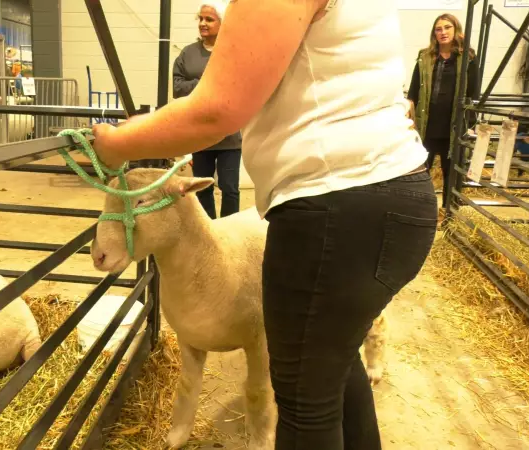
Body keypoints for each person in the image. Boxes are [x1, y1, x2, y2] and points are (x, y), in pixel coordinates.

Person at [91, 0, 438, 448]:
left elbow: (217, 109)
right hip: (379, 192)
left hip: (338, 201)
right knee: (333, 372)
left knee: (303, 400)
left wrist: (118, 144)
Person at [172, 0, 242, 218]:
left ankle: (230, 230)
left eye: (209, 19)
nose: (203, 23)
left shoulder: (233, 51)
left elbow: (239, 86)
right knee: (202, 188)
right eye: (200, 19)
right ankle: (208, 229)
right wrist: (203, 84)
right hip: (200, 135)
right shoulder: (188, 54)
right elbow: (177, 87)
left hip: (229, 136)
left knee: (230, 189)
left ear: (223, 23)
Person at [407, 13, 478, 211]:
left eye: (447, 27)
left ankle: (449, 213)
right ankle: (421, 211)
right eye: (438, 29)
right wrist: (410, 121)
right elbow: (413, 92)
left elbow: (474, 92)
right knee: (421, 172)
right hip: (427, 126)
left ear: (456, 30)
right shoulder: (425, 58)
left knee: (451, 173)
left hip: (453, 127)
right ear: (434, 33)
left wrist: (471, 125)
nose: (443, 32)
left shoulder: (467, 58)